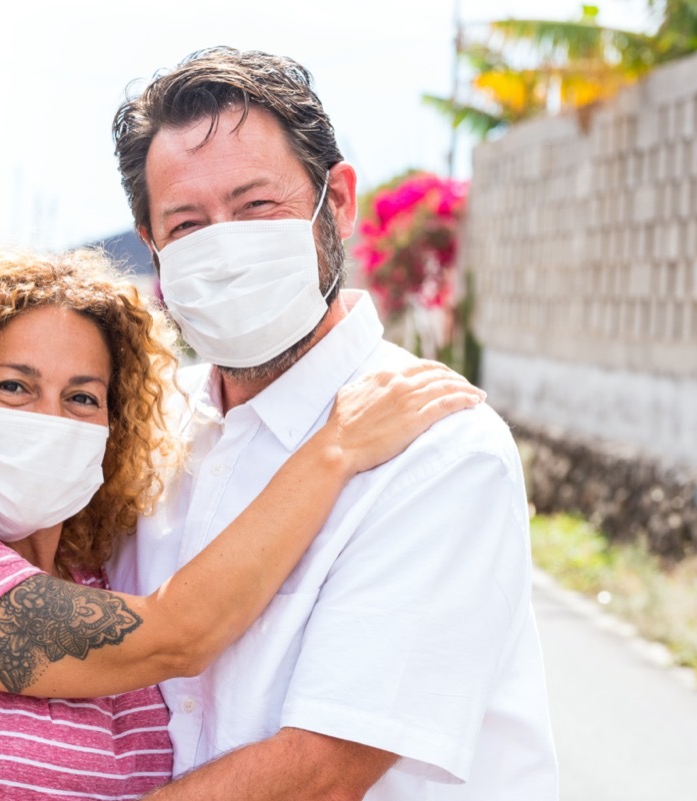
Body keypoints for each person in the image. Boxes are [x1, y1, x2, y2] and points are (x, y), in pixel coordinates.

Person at [0, 248, 482, 800]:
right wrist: (335, 447)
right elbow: (178, 635)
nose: (50, 418)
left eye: (81, 396)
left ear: (111, 429)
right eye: (13, 386)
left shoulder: (104, 575)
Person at [104, 47, 560, 799]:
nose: (225, 246)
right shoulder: (145, 431)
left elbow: (317, 772)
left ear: (338, 202)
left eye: (257, 207)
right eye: (186, 224)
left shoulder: (437, 449)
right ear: (150, 244)